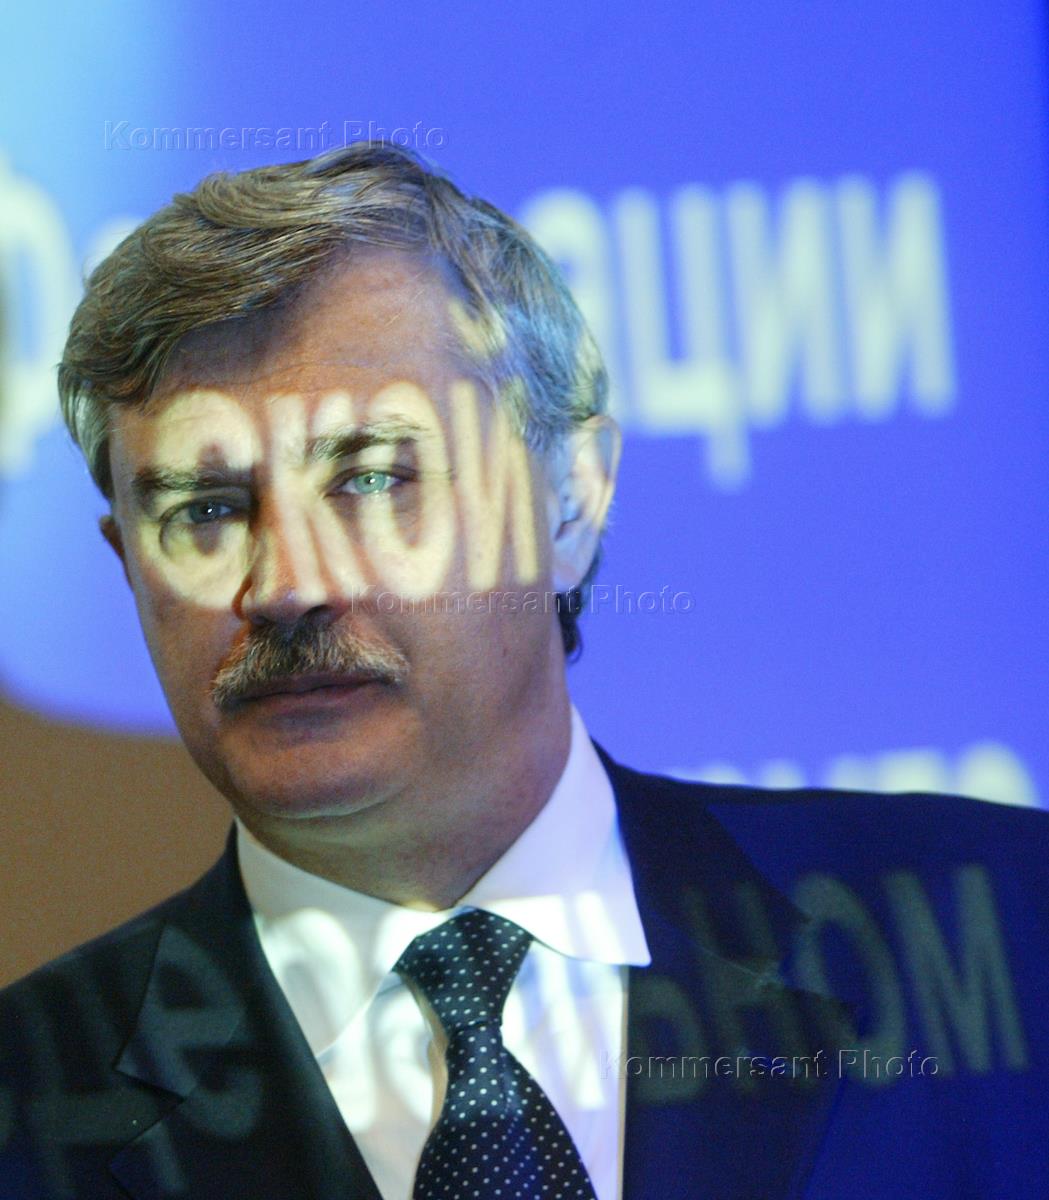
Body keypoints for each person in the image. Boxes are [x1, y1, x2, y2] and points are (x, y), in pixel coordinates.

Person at [1, 142, 1047, 1200]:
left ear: (571, 502)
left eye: (371, 479)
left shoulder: (1004, 928)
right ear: (129, 565)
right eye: (207, 510)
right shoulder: (26, 1111)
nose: (285, 585)